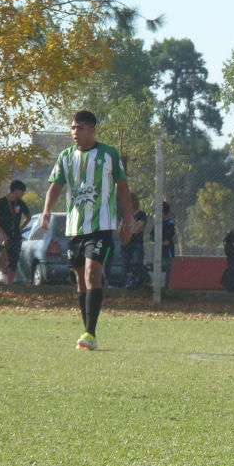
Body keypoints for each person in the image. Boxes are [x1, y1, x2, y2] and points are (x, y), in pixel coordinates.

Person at [41, 110, 139, 351]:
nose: (76, 132)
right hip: (75, 229)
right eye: (73, 128)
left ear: (93, 130)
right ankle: (88, 333)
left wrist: (128, 219)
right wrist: (46, 210)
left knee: (92, 273)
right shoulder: (65, 156)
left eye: (81, 128)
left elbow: (123, 188)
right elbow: (55, 187)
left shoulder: (109, 154)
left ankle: (90, 333)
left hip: (101, 227)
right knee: (80, 281)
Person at [0, 180, 30, 284]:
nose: (23, 194)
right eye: (23, 191)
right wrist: (2, 233)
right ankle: (2, 275)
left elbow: (28, 217)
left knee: (13, 262)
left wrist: (21, 227)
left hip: (16, 235)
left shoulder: (21, 204)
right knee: (3, 251)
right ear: (16, 190)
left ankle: (9, 286)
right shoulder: (0, 202)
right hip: (3, 233)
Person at [122, 194, 149, 289]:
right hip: (126, 243)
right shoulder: (124, 215)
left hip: (137, 244)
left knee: (137, 264)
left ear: (133, 202)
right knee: (125, 265)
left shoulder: (141, 214)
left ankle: (139, 284)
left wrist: (129, 215)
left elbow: (137, 228)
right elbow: (121, 230)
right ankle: (126, 284)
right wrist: (132, 229)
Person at [148, 202, 176, 290]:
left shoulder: (170, 223)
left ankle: (166, 289)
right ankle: (156, 288)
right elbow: (151, 236)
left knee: (167, 270)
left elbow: (168, 237)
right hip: (157, 251)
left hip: (167, 252)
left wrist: (162, 239)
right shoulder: (157, 223)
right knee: (157, 270)